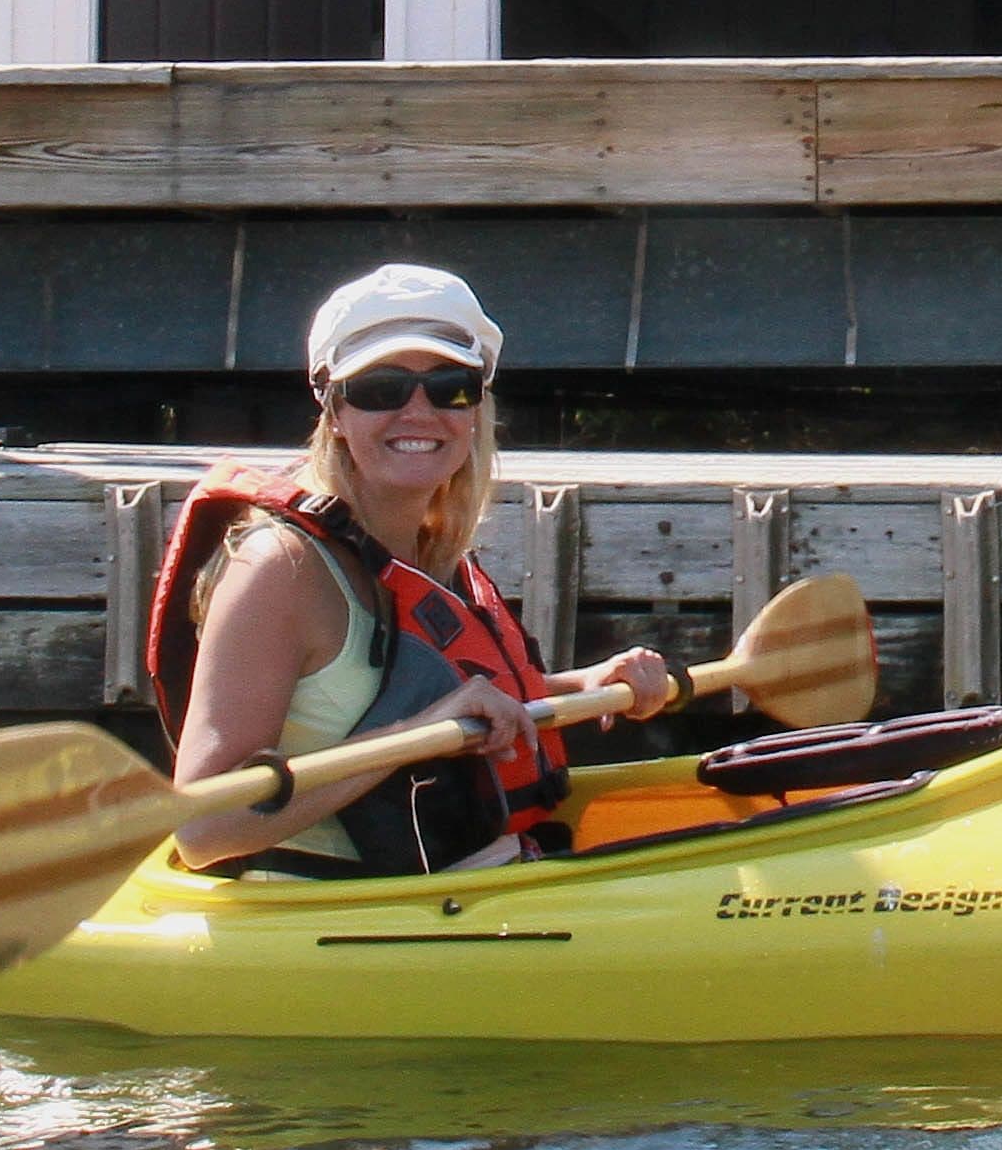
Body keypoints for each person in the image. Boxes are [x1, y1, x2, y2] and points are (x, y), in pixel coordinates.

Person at [165, 264, 675, 876]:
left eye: (449, 386)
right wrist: (424, 728)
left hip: (475, 888)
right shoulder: (280, 568)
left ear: (475, 407)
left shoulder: (429, 552)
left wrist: (580, 687)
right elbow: (201, 827)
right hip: (335, 921)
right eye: (380, 388)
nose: (418, 412)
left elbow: (435, 690)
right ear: (333, 408)